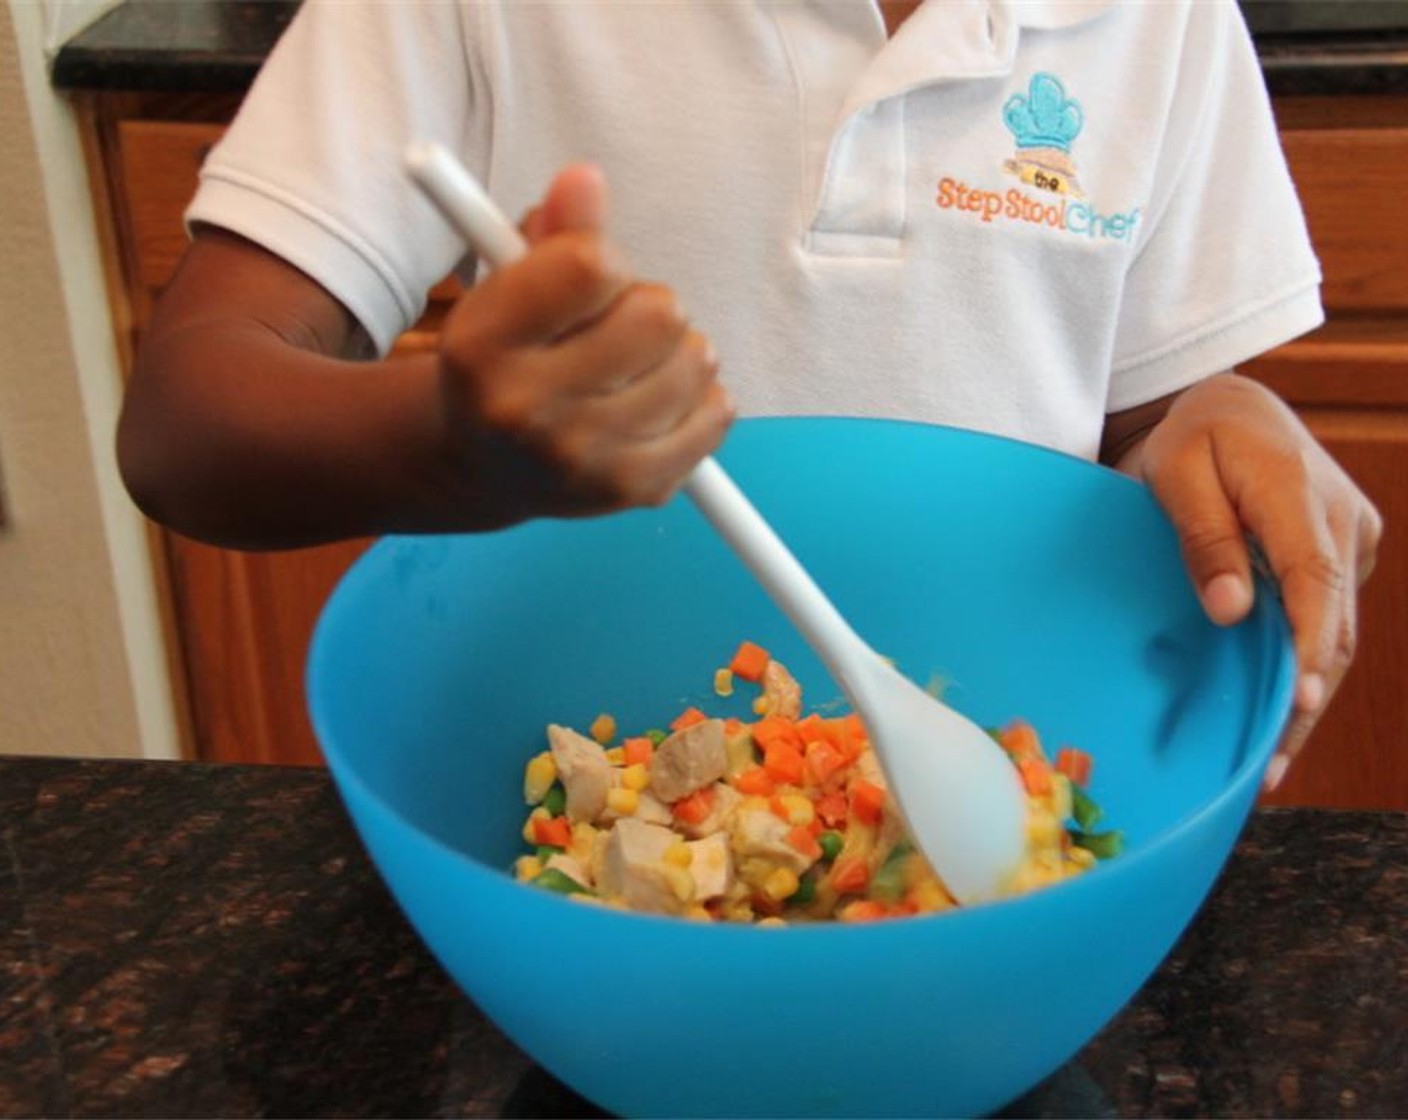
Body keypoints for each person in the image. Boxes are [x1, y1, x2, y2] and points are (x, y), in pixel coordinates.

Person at [116, 0, 1380, 792]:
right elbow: (185, 421)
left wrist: (1220, 413)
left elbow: (1147, 416)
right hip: (578, 809)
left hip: (1001, 804)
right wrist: (455, 442)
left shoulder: (1160, 21)